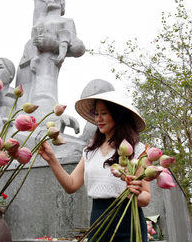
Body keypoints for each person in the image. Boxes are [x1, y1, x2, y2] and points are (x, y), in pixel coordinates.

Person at [39, 91, 150, 242]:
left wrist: (135, 194)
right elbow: (71, 185)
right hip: (98, 221)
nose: (98, 119)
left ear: (118, 115)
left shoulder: (136, 149)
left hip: (129, 223)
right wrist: (51, 159)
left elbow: (146, 197)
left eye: (104, 113)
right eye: (96, 113)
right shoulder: (90, 151)